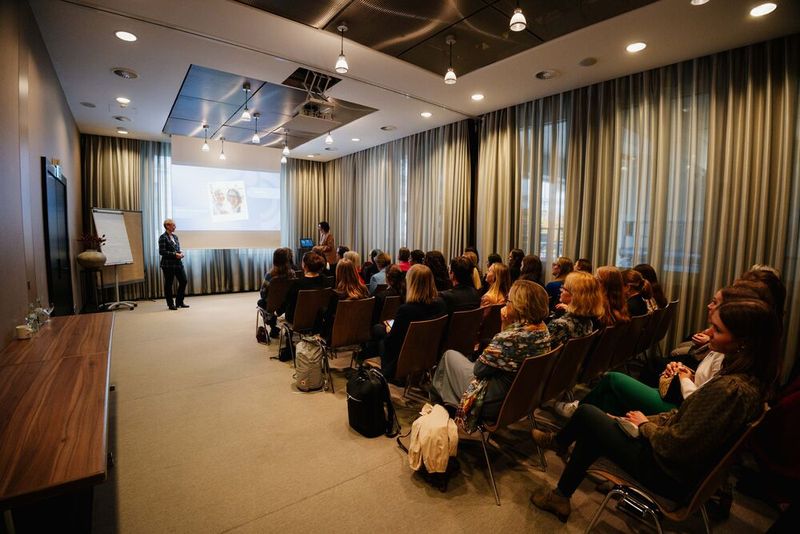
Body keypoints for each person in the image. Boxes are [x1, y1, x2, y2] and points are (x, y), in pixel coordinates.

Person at [530, 299, 779, 523]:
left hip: (667, 473)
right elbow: (686, 417)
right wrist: (637, 420)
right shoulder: (748, 381)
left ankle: (560, 477)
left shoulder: (729, 391)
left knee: (587, 414)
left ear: (744, 343)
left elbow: (676, 445)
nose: (709, 333)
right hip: (681, 466)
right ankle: (560, 492)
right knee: (599, 421)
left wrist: (644, 426)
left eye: (719, 330)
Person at [431, 280, 552, 432]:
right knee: (450, 364)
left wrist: (504, 328)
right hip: (522, 400)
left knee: (448, 356)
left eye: (509, 301)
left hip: (491, 402)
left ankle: (438, 416)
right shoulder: (543, 331)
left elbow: (479, 370)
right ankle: (444, 410)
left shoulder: (510, 338)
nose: (506, 304)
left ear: (519, 306)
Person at [373, 265, 446, 380]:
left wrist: (387, 331)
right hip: (429, 352)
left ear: (411, 283)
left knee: (379, 330)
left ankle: (387, 372)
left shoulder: (407, 310)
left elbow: (391, 341)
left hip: (405, 357)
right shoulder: (440, 304)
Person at [547, 271, 601, 348]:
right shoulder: (588, 321)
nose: (561, 290)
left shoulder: (560, 325)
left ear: (576, 296)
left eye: (565, 289)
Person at [257, 247, 296, 338]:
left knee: (260, 302)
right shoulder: (292, 274)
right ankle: (287, 327)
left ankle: (273, 326)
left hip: (273, 305)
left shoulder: (270, 275)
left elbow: (263, 293)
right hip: (286, 305)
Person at [284, 251, 330, 323]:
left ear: (304, 265)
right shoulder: (325, 280)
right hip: (318, 319)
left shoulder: (298, 284)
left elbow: (288, 302)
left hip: (298, 320)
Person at [159, 218, 188, 310]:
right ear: (167, 226)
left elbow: (177, 249)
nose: (175, 227)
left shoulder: (175, 237)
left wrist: (180, 253)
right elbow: (162, 252)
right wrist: (175, 254)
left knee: (184, 281)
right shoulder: (162, 237)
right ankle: (170, 304)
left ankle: (179, 302)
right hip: (168, 264)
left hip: (178, 263)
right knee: (169, 284)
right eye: (173, 225)